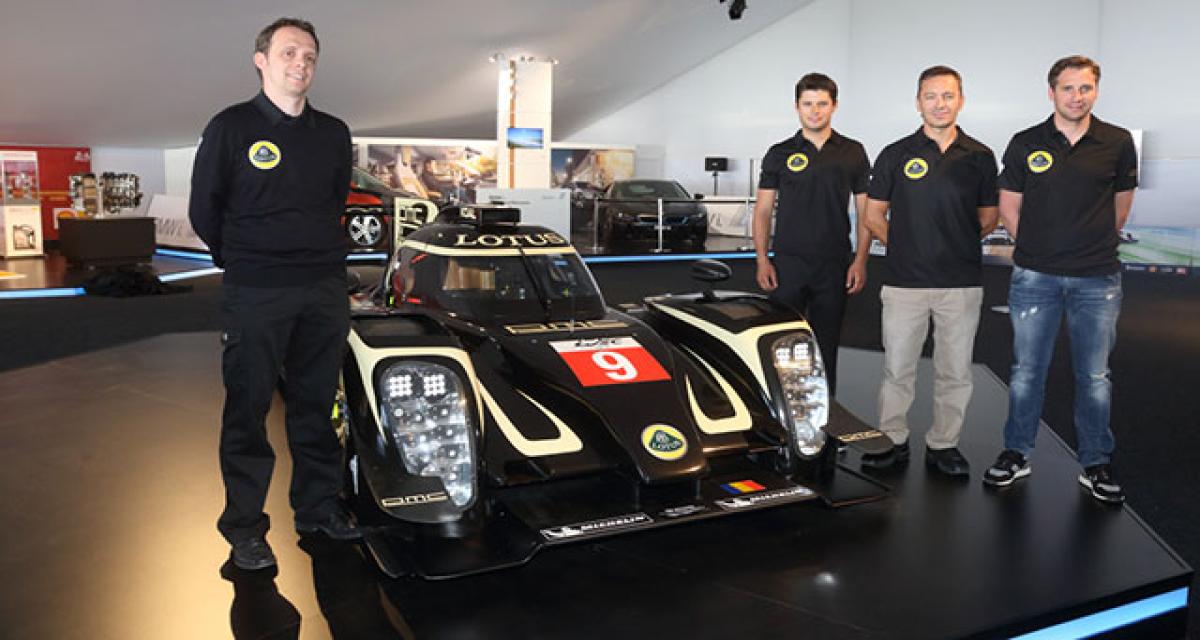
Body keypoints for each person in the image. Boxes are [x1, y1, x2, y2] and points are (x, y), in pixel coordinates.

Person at [189, 17, 358, 571]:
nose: (300, 64)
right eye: (288, 53)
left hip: (323, 288)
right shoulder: (231, 127)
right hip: (256, 291)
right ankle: (244, 529)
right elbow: (204, 208)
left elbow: (334, 201)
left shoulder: (333, 133)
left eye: (308, 56)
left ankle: (317, 509)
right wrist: (242, 259)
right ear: (260, 60)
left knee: (316, 406)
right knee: (249, 409)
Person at [982, 56, 1137, 504]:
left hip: (1097, 279)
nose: (1077, 96)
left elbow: (1121, 205)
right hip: (1035, 277)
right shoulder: (1025, 142)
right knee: (1027, 372)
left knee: (1094, 375)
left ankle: (1095, 461)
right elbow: (1009, 205)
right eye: (1068, 88)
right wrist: (1036, 248)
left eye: (1085, 88)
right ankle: (1017, 452)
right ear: (1051, 92)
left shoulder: (1117, 142)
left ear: (1096, 91)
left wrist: (1090, 244)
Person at [861, 66, 999, 477]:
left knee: (955, 371)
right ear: (918, 102)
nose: (940, 104)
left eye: (948, 95)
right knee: (897, 368)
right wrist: (906, 247)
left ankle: (944, 444)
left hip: (961, 284)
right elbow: (873, 215)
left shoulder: (980, 156)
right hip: (905, 283)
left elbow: (988, 217)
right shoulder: (895, 153)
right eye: (931, 96)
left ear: (961, 100)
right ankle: (892, 439)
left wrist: (954, 243)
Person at [753, 72, 871, 397]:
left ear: (834, 106)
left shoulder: (853, 152)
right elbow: (762, 211)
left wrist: (860, 260)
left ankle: (824, 410)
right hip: (787, 265)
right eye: (808, 104)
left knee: (826, 344)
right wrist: (762, 260)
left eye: (822, 104)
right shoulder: (779, 153)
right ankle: (784, 410)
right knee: (782, 344)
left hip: (834, 264)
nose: (815, 111)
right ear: (797, 107)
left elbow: (866, 213)